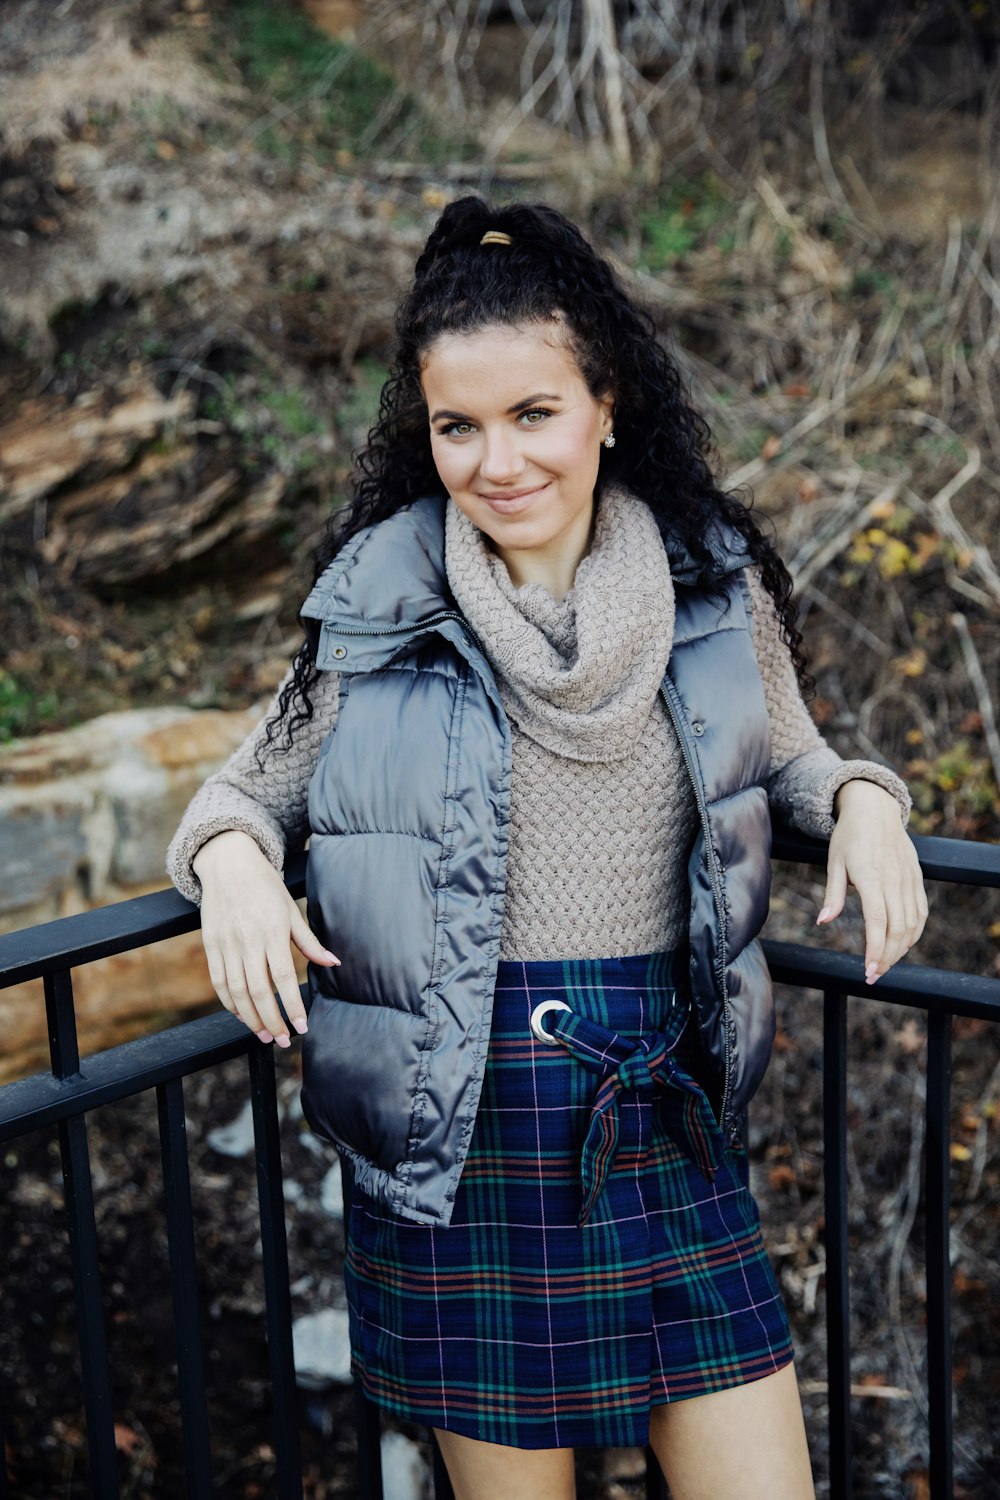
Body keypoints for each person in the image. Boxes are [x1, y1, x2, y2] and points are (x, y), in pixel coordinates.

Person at [167, 197, 927, 1500]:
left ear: (607, 406)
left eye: (534, 415)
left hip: (662, 1113)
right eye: (458, 427)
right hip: (465, 1135)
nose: (497, 461)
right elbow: (241, 793)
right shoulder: (380, 601)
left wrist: (866, 797)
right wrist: (232, 863)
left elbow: (792, 756)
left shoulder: (711, 582)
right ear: (425, 429)